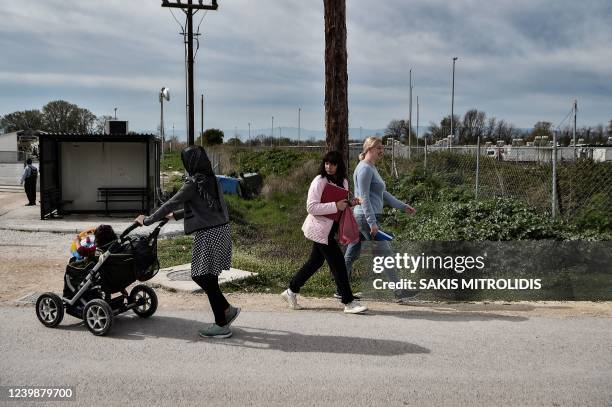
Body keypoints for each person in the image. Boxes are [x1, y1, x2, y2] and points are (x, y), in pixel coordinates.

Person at [135, 145, 239, 339]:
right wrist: (177, 215)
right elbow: (207, 206)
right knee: (210, 276)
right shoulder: (211, 179)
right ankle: (225, 312)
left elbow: (169, 203)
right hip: (222, 230)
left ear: (190, 163)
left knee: (200, 276)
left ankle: (222, 322)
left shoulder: (193, 183)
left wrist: (147, 220)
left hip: (209, 234)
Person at [281, 151, 368, 314]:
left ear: (338, 165)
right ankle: (348, 302)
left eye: (333, 163)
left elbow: (341, 205)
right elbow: (311, 207)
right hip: (319, 230)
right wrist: (335, 206)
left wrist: (350, 203)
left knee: (315, 262)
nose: (329, 166)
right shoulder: (319, 181)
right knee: (339, 264)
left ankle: (291, 291)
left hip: (331, 230)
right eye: (327, 163)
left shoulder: (343, 181)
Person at [344, 137, 417, 302]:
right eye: (379, 148)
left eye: (382, 148)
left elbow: (382, 194)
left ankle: (340, 288)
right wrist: (372, 223)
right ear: (369, 148)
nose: (382, 151)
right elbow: (363, 198)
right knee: (386, 253)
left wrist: (402, 206)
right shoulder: (364, 169)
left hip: (363, 216)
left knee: (352, 253)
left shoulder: (371, 168)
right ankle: (399, 291)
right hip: (365, 217)